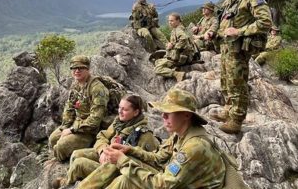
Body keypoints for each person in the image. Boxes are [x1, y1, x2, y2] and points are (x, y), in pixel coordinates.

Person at [97, 88, 225, 189]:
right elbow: (159, 159)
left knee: (127, 177)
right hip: (176, 183)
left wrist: (122, 161)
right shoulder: (179, 134)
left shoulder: (194, 147)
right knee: (126, 169)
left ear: (186, 115)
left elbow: (161, 185)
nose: (163, 116)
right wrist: (130, 150)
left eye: (168, 113)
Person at [52, 95, 160, 189]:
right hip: (107, 155)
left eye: (125, 110)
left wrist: (117, 159)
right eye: (119, 108)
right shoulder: (119, 122)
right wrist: (102, 150)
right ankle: (69, 180)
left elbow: (146, 163)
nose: (120, 112)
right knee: (76, 154)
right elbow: (102, 136)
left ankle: (81, 182)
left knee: (79, 164)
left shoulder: (144, 135)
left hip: (116, 168)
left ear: (136, 112)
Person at [210, 0, 272, 133]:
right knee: (226, 81)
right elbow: (222, 21)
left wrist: (239, 31)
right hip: (227, 48)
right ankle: (228, 110)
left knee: (237, 83)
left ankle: (236, 119)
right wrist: (213, 33)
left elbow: (265, 22)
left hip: (239, 49)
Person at [48, 55, 109, 161]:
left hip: (89, 131)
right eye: (74, 68)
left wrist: (71, 130)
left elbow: (95, 121)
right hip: (76, 125)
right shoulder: (76, 85)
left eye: (80, 68)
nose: (77, 71)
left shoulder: (97, 89)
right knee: (53, 139)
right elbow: (69, 108)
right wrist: (65, 128)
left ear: (88, 69)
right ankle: (59, 155)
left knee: (61, 147)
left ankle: (60, 162)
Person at [154, 13, 194, 82]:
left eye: (172, 21)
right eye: (169, 21)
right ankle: (174, 68)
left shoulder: (178, 30)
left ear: (178, 21)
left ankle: (177, 74)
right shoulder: (179, 28)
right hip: (183, 56)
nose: (170, 23)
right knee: (157, 61)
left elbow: (184, 38)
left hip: (180, 58)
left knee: (157, 69)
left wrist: (173, 46)